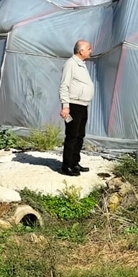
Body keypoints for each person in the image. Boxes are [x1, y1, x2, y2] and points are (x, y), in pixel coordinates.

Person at [58, 39, 94, 176]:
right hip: (73, 105)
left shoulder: (82, 65)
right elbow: (64, 86)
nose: (91, 51)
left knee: (80, 136)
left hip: (83, 105)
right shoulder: (71, 64)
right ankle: (66, 166)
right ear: (81, 51)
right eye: (89, 48)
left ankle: (74, 162)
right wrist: (65, 106)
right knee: (72, 136)